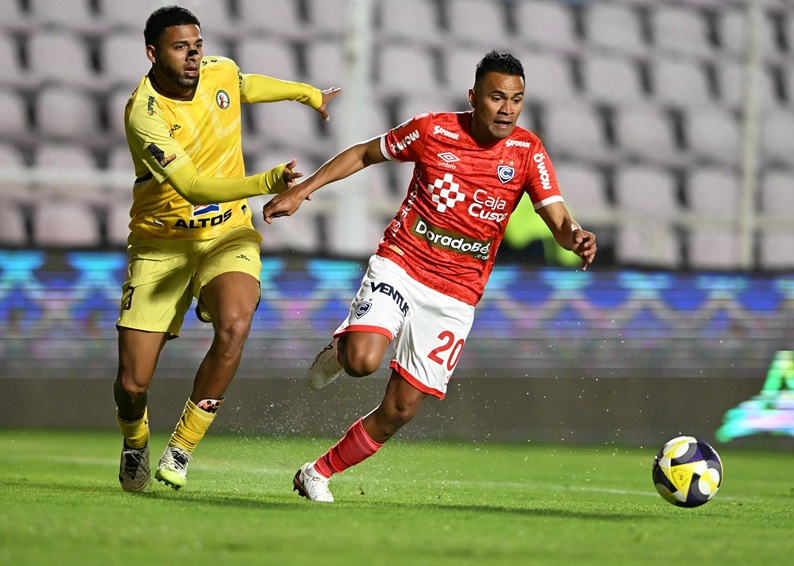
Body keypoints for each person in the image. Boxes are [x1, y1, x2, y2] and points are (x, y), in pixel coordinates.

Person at [263, 50, 597, 502]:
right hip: (403, 263)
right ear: (474, 96)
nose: (507, 109)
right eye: (497, 97)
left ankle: (316, 472)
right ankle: (342, 351)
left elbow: (557, 218)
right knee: (363, 361)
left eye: (516, 99)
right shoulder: (433, 130)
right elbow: (364, 153)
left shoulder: (527, 152)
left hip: (457, 295)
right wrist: (303, 191)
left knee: (400, 409)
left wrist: (575, 235)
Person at [114, 5, 341, 493]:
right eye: (180, 47)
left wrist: (309, 94)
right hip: (162, 244)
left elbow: (243, 84)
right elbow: (193, 186)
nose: (194, 55)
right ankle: (135, 441)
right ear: (153, 53)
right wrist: (267, 181)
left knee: (235, 323)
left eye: (196, 45)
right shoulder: (144, 114)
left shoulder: (219, 69)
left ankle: (180, 449)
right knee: (133, 384)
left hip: (226, 234)